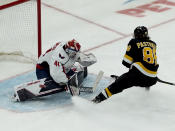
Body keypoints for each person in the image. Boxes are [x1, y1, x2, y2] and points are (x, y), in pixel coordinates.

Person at [92, 26, 159, 103]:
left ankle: (96, 100)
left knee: (117, 85)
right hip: (152, 79)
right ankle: (145, 93)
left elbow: (126, 62)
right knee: (143, 72)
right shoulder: (153, 44)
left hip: (138, 77)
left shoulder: (134, 42)